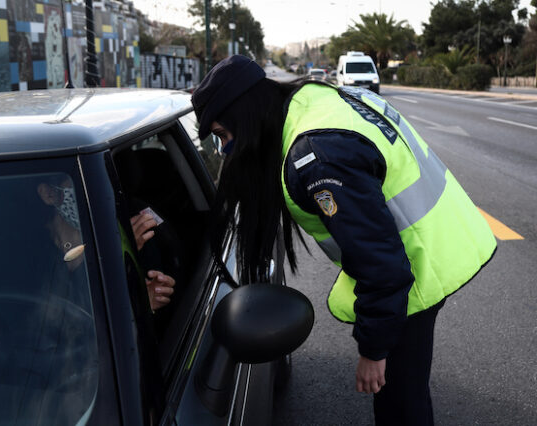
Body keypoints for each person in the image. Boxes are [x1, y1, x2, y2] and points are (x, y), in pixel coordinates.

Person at [191, 55, 496, 425]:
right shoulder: (316, 100)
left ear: (246, 115)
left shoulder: (317, 157)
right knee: (406, 394)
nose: (226, 150)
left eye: (224, 135)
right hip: (430, 247)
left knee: (400, 403)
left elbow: (381, 264)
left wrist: (373, 350)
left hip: (414, 269)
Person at [36, 178, 175, 311]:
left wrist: (144, 301)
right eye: (81, 182)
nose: (95, 192)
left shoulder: (129, 230)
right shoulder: (33, 248)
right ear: (48, 194)